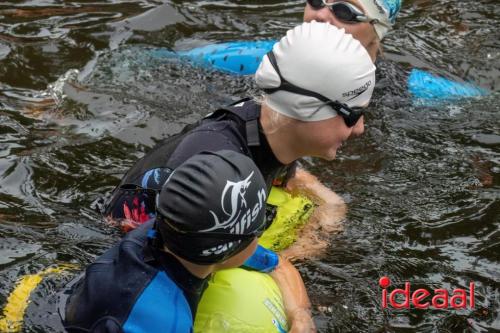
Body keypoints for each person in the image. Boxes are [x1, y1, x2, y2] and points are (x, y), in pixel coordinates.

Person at [105, 21, 376, 260]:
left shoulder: (269, 122)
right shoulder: (221, 169)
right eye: (353, 115)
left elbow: (289, 176)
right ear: (307, 110)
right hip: (129, 250)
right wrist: (301, 253)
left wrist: (330, 203)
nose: (360, 128)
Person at [64, 150, 313, 332]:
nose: (262, 233)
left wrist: (301, 318)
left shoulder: (173, 229)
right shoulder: (163, 320)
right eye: (262, 222)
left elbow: (278, 264)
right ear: (229, 247)